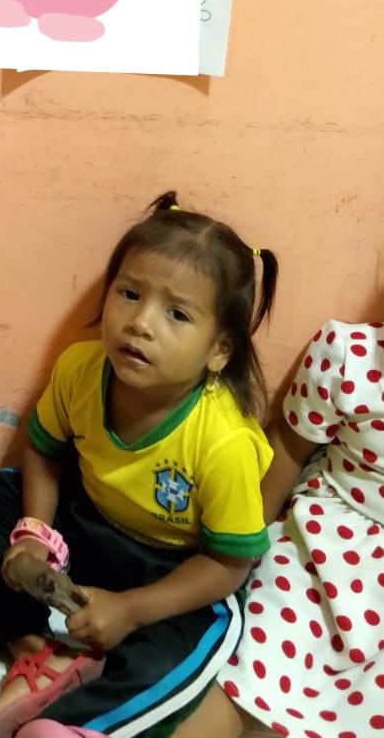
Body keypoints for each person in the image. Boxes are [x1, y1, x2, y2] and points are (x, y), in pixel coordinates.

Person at [0, 192, 277, 738]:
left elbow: (228, 566)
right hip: (84, 524)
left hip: (173, 570)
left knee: (176, 657)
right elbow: (44, 450)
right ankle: (38, 651)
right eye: (129, 293)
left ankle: (70, 721)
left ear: (219, 351)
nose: (140, 323)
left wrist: (132, 610)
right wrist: (36, 534)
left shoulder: (224, 442)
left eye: (177, 314)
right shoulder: (80, 368)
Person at [172, 316, 384, 738]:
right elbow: (288, 446)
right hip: (325, 540)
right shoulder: (351, 355)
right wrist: (239, 549)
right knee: (257, 653)